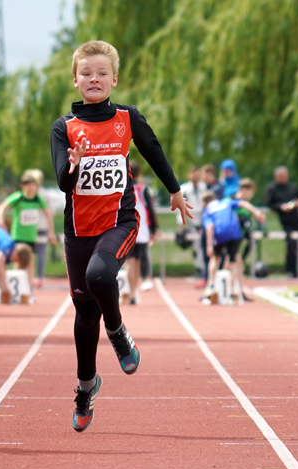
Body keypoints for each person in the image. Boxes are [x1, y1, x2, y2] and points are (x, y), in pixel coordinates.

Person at [50, 40, 193, 432]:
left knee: (100, 278)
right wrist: (74, 165)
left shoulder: (127, 118)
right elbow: (64, 183)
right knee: (83, 315)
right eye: (86, 73)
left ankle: (117, 331)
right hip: (78, 232)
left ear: (114, 78)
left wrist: (175, 189)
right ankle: (86, 386)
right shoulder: (64, 127)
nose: (93, 79)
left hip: (120, 224)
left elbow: (153, 149)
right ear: (75, 80)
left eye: (101, 73)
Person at [201, 190, 265, 304]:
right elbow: (244, 204)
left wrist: (209, 245)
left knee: (215, 258)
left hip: (219, 233)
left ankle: (211, 285)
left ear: (205, 203)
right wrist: (257, 213)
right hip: (234, 233)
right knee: (233, 259)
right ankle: (232, 291)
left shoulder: (208, 210)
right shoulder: (226, 202)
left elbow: (209, 227)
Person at [0, 169, 57, 289]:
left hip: (31, 236)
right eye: (27, 185)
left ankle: (29, 290)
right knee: (17, 261)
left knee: (30, 263)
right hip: (18, 236)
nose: (30, 188)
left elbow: (48, 214)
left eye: (32, 185)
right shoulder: (18, 197)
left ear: (36, 187)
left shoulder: (38, 199)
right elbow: (2, 208)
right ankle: (14, 289)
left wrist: (51, 233)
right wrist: (1, 222)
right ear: (22, 186)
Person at [125, 161, 159, 304]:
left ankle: (132, 291)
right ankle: (135, 291)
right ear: (139, 173)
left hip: (126, 229)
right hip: (141, 230)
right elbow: (150, 210)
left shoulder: (123, 188)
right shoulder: (143, 189)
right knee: (138, 261)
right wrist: (155, 229)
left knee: (129, 262)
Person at [265, 165, 298, 278]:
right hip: (284, 221)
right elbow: (269, 203)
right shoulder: (271, 189)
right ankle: (289, 270)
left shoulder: (293, 187)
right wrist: (281, 207)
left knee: (297, 246)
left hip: (296, 218)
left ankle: (297, 270)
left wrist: (294, 204)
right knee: (290, 245)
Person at [26, 169, 57, 288]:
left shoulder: (43, 195)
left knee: (40, 254)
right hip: (30, 228)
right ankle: (32, 276)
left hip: (41, 227)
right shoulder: (28, 194)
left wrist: (51, 232)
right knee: (31, 254)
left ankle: (38, 277)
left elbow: (50, 213)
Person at [178, 165, 208, 284]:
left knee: (204, 246)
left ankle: (204, 269)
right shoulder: (185, 188)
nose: (195, 176)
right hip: (192, 221)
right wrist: (181, 222)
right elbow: (179, 205)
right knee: (196, 247)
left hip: (204, 221)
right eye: (192, 173)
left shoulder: (204, 187)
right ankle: (199, 268)